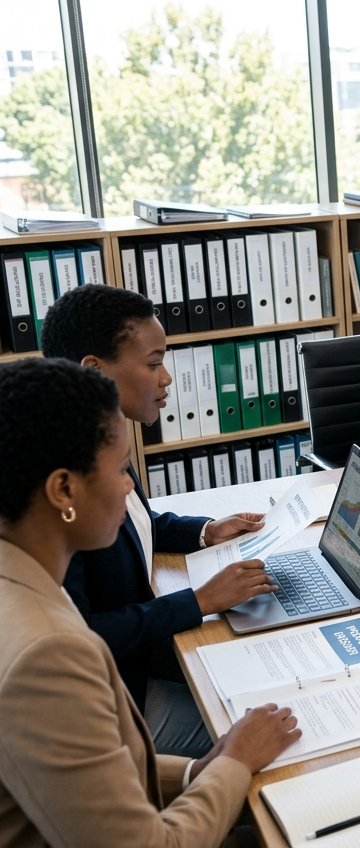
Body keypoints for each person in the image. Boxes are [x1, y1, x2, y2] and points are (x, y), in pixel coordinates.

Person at [0, 357, 300, 846]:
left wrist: (198, 771)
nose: (129, 487)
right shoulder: (47, 657)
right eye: (121, 469)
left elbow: (95, 773)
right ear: (64, 489)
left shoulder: (21, 579)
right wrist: (235, 761)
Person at [41, 284, 279, 758]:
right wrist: (200, 600)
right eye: (153, 364)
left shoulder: (96, 435)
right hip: (116, 703)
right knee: (279, 725)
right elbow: (84, 633)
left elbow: (134, 520)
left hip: (141, 667)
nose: (167, 378)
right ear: (95, 371)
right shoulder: (63, 483)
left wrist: (204, 531)